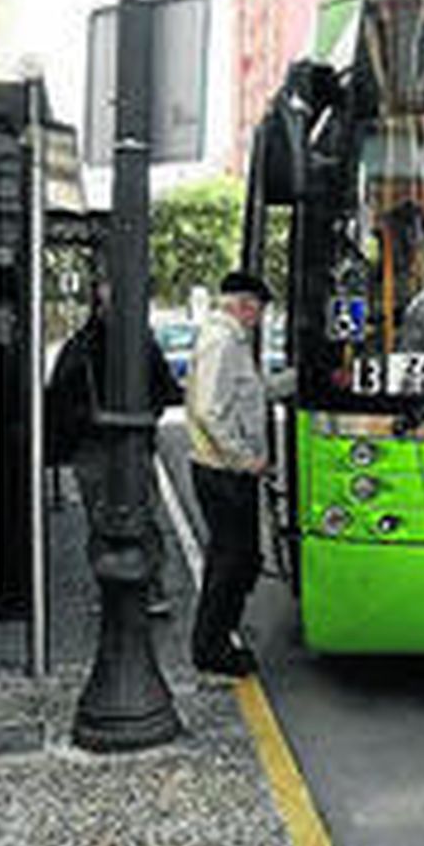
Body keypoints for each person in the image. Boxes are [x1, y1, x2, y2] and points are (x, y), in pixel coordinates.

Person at [45, 276, 184, 616]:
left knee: (107, 519)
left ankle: (121, 589)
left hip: (99, 447)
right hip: (122, 446)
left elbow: (59, 399)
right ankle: (146, 588)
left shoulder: (83, 345)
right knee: (138, 516)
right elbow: (165, 390)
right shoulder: (134, 344)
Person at [185, 269, 276, 679]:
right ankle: (212, 647)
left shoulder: (228, 341)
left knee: (242, 559)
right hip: (223, 472)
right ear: (243, 304)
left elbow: (247, 394)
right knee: (230, 561)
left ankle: (221, 634)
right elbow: (209, 410)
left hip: (228, 471)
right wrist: (244, 459)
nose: (258, 318)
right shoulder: (222, 342)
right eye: (257, 310)